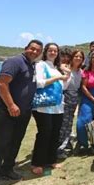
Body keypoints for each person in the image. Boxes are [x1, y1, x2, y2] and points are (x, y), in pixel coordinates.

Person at [0, 40, 43, 185]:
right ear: (26, 48)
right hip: (5, 111)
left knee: (15, 141)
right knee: (0, 144)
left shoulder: (32, 66)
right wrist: (11, 105)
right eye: (32, 49)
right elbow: (2, 84)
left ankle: (7, 169)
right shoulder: (14, 61)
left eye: (38, 50)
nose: (35, 52)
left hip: (22, 112)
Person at [31, 43, 71, 175]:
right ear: (46, 52)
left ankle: (51, 160)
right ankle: (37, 162)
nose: (53, 53)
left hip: (58, 107)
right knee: (44, 134)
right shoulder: (41, 65)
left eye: (55, 51)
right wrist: (58, 77)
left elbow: (63, 87)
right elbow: (39, 83)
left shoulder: (57, 67)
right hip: (44, 107)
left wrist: (67, 74)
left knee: (55, 134)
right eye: (50, 50)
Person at [57, 49, 84, 159]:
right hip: (64, 97)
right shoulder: (65, 68)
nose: (78, 58)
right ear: (72, 57)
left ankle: (65, 144)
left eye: (80, 57)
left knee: (69, 122)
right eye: (76, 56)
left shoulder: (80, 71)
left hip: (74, 98)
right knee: (63, 123)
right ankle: (59, 147)